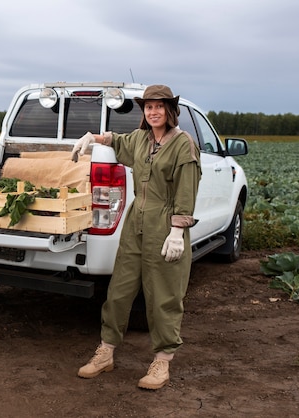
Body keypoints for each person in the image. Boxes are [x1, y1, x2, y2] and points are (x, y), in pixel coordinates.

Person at [71, 85, 201, 389]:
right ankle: (106, 353)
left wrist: (178, 230)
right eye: (148, 107)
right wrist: (93, 137)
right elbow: (117, 140)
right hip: (135, 223)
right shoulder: (141, 139)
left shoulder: (184, 145)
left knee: (163, 296)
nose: (153, 112)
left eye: (159, 107)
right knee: (119, 291)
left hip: (165, 225)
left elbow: (187, 190)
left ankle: (162, 361)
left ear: (170, 110)